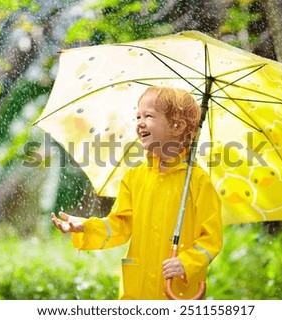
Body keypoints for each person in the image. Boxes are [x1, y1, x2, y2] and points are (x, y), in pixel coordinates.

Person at [51, 86, 223, 300]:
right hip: (137, 292)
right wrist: (85, 225)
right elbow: (121, 225)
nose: (140, 123)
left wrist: (186, 262)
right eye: (138, 116)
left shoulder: (198, 182)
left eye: (149, 116)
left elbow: (211, 239)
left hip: (176, 292)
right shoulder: (134, 178)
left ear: (177, 125)